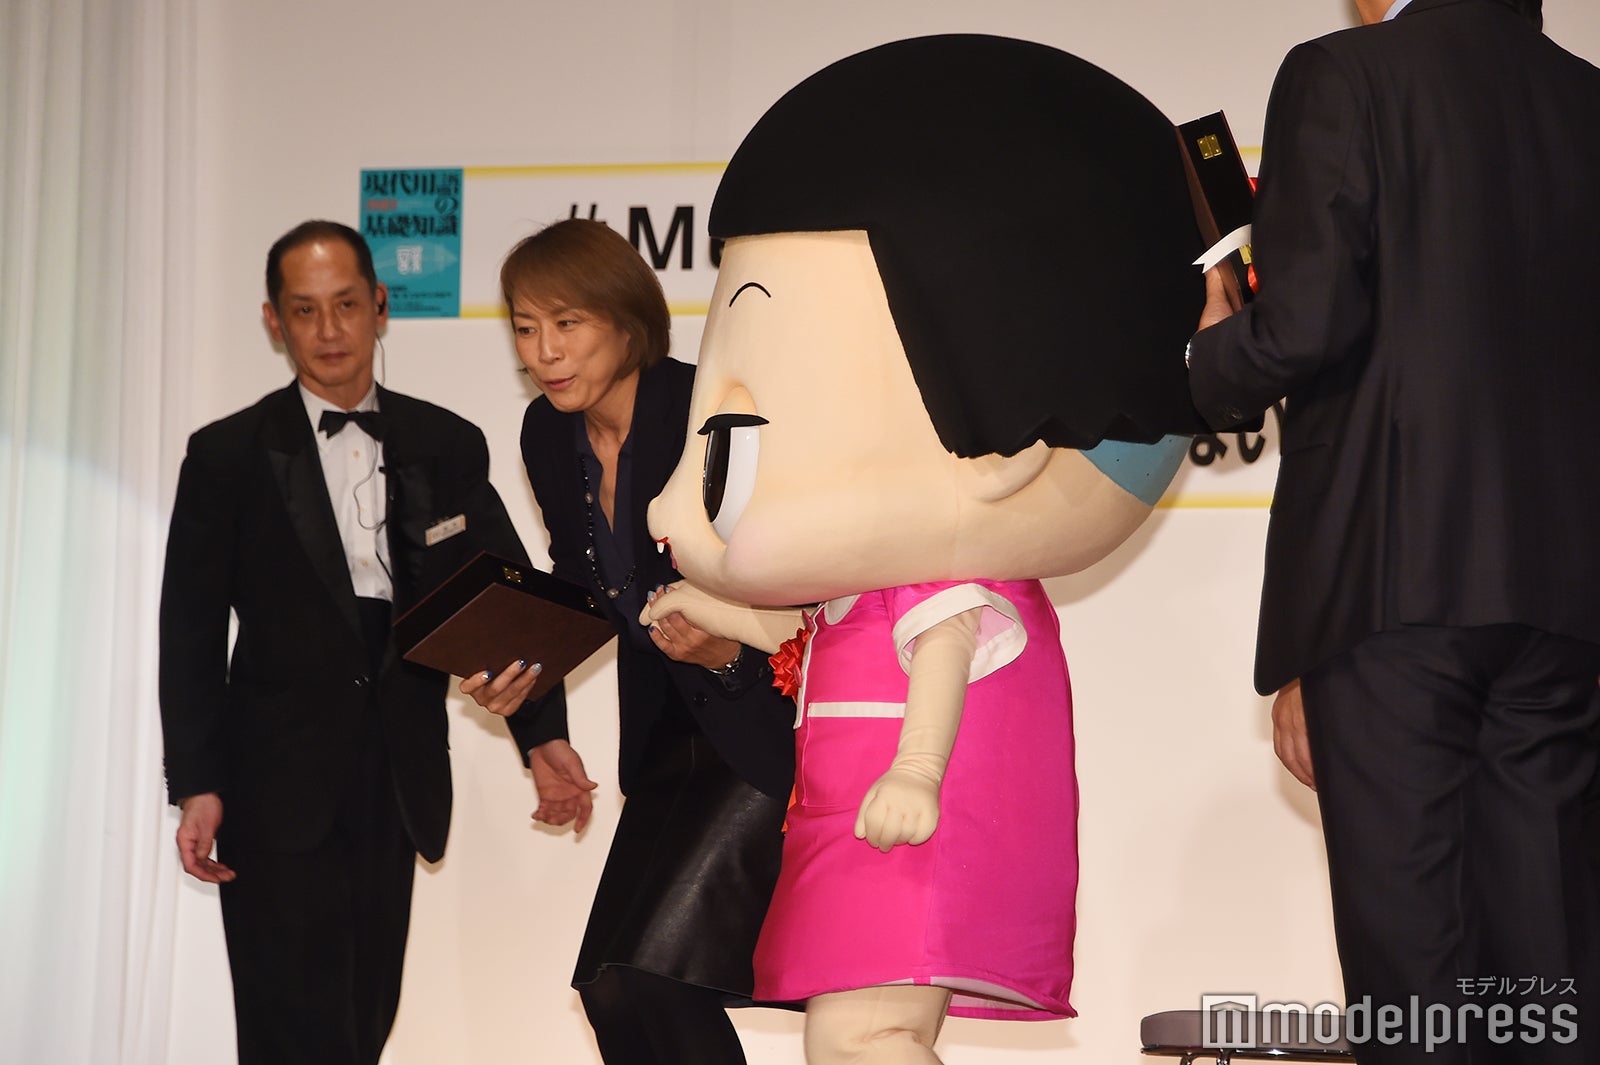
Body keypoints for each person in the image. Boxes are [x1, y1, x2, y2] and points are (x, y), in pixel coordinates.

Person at [1185, 2, 1600, 1061]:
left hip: (1394, 575)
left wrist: (1208, 349)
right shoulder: (1582, 97)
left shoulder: (1345, 72)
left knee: (1413, 966)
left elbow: (1305, 324)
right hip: (1563, 594)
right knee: (1547, 960)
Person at [159, 219, 533, 1065]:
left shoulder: (445, 442)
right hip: (271, 782)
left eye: (346, 305)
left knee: (365, 1018)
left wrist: (542, 738)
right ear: (274, 321)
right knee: (288, 1026)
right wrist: (198, 782)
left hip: (394, 775)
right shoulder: (225, 455)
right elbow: (188, 630)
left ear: (380, 306)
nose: (328, 330)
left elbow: (501, 598)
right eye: (304, 310)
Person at [460, 218, 794, 1065]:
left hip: (760, 730)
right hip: (666, 743)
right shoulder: (547, 433)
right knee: (610, 984)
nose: (544, 352)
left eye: (566, 323)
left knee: (652, 979)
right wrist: (526, 700)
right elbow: (580, 587)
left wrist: (727, 656)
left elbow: (801, 580)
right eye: (525, 328)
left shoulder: (706, 407)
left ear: (626, 318)